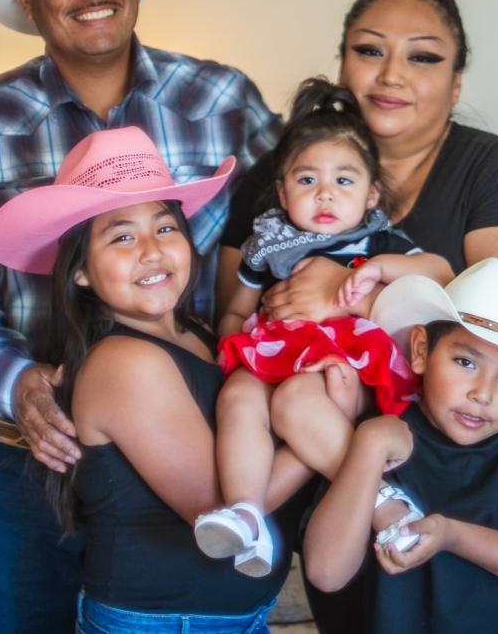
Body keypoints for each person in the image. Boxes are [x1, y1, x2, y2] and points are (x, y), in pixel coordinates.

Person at [0, 0, 279, 633]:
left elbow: (286, 230)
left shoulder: (222, 100)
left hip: (193, 436)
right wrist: (20, 383)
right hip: (36, 454)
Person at [216, 0, 498, 632]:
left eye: (423, 56)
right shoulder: (281, 173)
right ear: (342, 62)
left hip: (477, 466)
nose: (391, 73)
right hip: (338, 468)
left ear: (457, 82)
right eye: (369, 49)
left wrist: (345, 292)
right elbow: (240, 306)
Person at [0, 127, 311, 633]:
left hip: (231, 619)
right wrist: (333, 440)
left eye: (165, 228)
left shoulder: (197, 334)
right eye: (121, 236)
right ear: (81, 273)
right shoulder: (125, 364)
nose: (152, 250)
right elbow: (223, 513)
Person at [193, 77, 451, 578]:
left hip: (341, 356)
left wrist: (380, 272)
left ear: (373, 193)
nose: (325, 194)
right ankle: (246, 512)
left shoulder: (375, 242)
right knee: (237, 399)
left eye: (345, 181)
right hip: (269, 348)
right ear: (283, 191)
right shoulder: (267, 243)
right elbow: (234, 308)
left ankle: (382, 500)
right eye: (307, 180)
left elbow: (441, 273)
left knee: (297, 402)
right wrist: (229, 348)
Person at [304, 258, 498, 633]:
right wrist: (369, 443)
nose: (483, 394)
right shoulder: (383, 427)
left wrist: (451, 536)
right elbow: (326, 573)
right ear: (421, 350)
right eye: (465, 361)